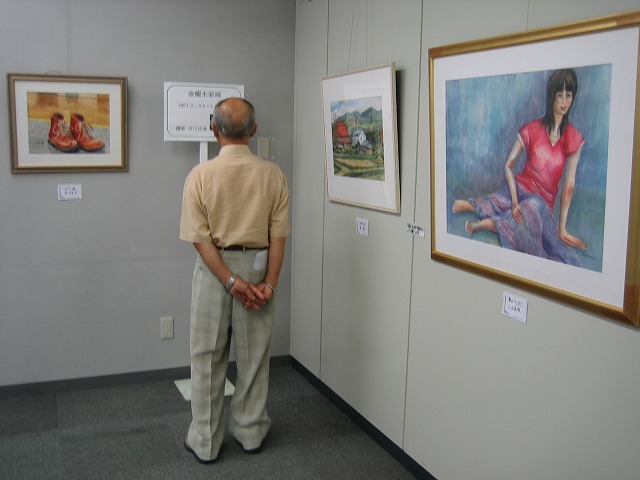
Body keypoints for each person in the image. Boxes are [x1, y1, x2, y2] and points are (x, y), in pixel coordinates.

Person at [179, 97, 290, 463]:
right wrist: (269, 284)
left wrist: (228, 280)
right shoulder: (273, 175)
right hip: (258, 269)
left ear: (214, 130)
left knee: (207, 357)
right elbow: (278, 236)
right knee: (254, 356)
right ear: (253, 131)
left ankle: (206, 441)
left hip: (215, 271)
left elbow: (200, 239)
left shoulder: (199, 176)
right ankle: (251, 431)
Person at [452, 68, 587, 266]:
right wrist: (515, 200)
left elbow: (569, 185)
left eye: (569, 95)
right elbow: (508, 165)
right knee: (501, 201)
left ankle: (481, 225)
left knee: (526, 211)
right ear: (552, 97)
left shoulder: (573, 137)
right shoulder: (532, 129)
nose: (564, 101)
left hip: (540, 202)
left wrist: (562, 229)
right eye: (560, 95)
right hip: (518, 188)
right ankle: (469, 206)